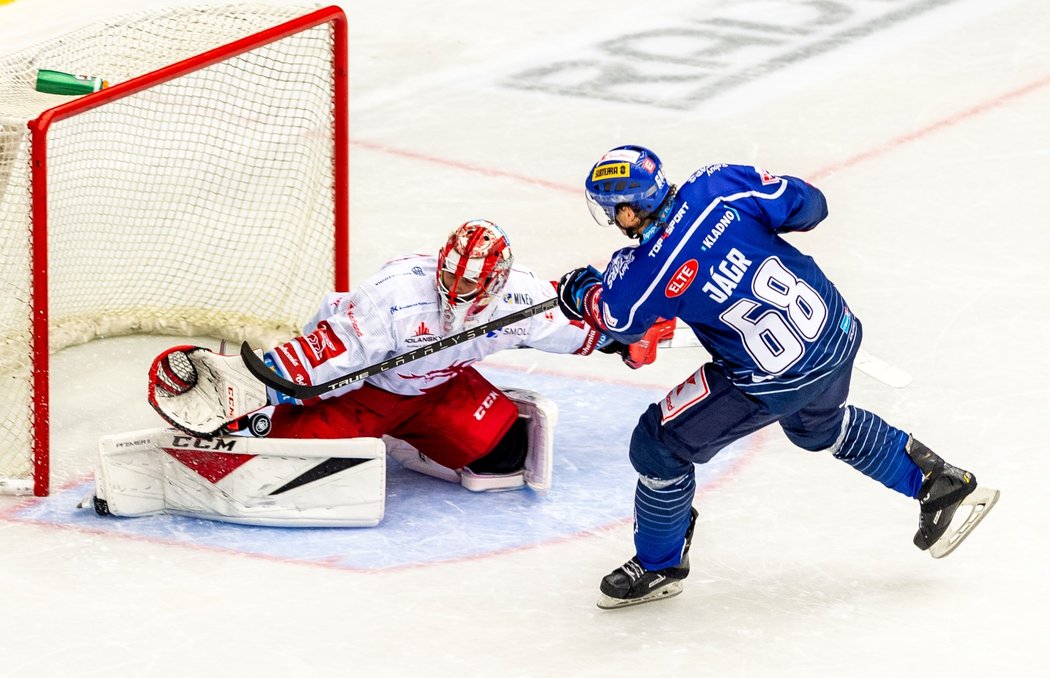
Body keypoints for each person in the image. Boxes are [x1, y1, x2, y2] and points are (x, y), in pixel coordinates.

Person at [556, 145, 1000, 609]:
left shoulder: (644, 268)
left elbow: (618, 321)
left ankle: (657, 564)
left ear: (628, 210)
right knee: (817, 429)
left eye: (612, 211)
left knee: (657, 446)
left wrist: (583, 288)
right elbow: (811, 205)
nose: (612, 219)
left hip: (771, 378)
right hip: (835, 329)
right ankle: (938, 481)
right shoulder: (719, 184)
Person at [146, 218, 656, 497]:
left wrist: (623, 338)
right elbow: (323, 355)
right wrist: (251, 386)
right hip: (363, 392)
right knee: (277, 454)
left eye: (470, 289)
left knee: (506, 456)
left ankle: (407, 439)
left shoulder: (522, 298)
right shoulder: (394, 294)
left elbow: (575, 326)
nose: (455, 297)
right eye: (447, 283)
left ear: (498, 282)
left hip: (439, 389)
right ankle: (281, 420)